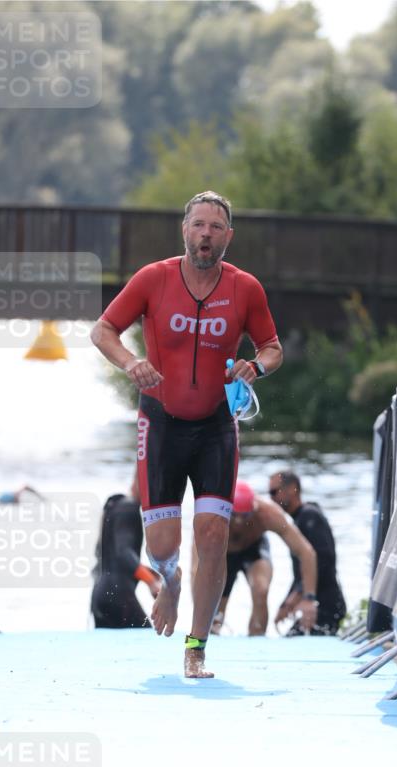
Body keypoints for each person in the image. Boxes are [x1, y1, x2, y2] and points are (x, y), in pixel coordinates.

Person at [90, 191, 282, 676]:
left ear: (228, 237)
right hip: (161, 423)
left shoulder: (245, 288)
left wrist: (255, 366)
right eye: (198, 225)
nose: (206, 235)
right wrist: (132, 363)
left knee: (213, 533)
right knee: (161, 544)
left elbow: (273, 346)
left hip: (216, 425)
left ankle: (196, 646)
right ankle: (170, 585)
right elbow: (103, 330)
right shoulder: (154, 279)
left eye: (216, 228)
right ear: (185, 230)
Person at [212, 480, 319, 636]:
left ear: (254, 509)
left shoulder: (268, 513)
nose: (240, 521)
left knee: (261, 590)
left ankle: (257, 640)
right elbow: (196, 567)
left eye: (245, 516)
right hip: (223, 553)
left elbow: (306, 552)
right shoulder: (213, 517)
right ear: (226, 509)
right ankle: (207, 640)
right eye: (234, 516)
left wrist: (309, 598)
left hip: (254, 549)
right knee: (213, 609)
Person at [269, 469, 346, 635]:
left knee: (292, 643)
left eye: (274, 492)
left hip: (326, 605)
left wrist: (299, 595)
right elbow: (301, 573)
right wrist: (286, 603)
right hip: (317, 603)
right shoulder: (299, 520)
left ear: (292, 489)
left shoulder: (310, 516)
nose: (271, 499)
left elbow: (324, 562)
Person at [91, 475, 161, 629]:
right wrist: (152, 582)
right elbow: (124, 554)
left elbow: (111, 557)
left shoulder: (115, 506)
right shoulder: (130, 509)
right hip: (118, 596)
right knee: (148, 639)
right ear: (139, 482)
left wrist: (150, 573)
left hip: (99, 596)